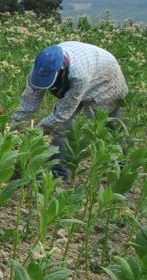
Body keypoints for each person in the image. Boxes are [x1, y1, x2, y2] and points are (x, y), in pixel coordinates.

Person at [9, 41, 128, 180]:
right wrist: (12, 127)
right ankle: (59, 173)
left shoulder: (79, 76)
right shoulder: (41, 67)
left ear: (61, 70)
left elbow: (61, 115)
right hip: (88, 69)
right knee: (60, 129)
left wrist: (34, 134)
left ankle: (120, 168)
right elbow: (29, 101)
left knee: (107, 127)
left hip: (105, 78)